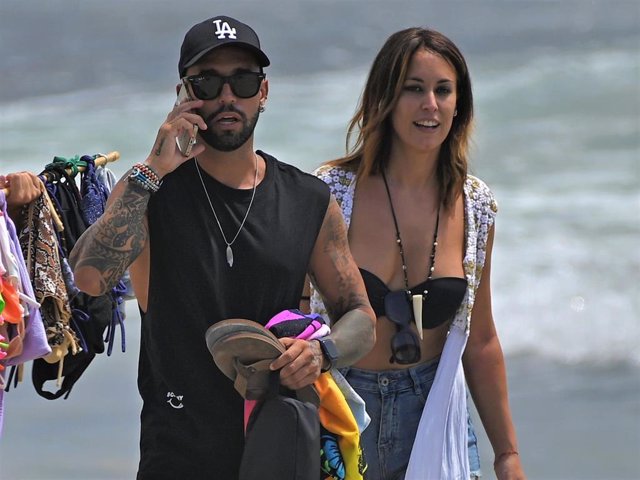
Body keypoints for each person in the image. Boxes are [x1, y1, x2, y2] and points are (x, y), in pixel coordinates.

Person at [69, 15, 376, 479]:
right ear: (184, 95)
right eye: (207, 82)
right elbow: (89, 278)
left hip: (281, 448)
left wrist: (322, 353)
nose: (227, 96)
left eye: (243, 80)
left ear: (264, 92)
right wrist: (154, 166)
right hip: (178, 454)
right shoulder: (150, 193)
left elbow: (361, 318)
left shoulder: (308, 200)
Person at [305, 28, 526, 479]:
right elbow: (294, 311)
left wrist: (508, 455)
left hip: (435, 408)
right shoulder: (330, 193)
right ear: (384, 99)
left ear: (459, 104)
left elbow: (480, 340)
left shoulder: (475, 206)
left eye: (443, 90)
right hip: (341, 410)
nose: (431, 105)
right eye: (413, 89)